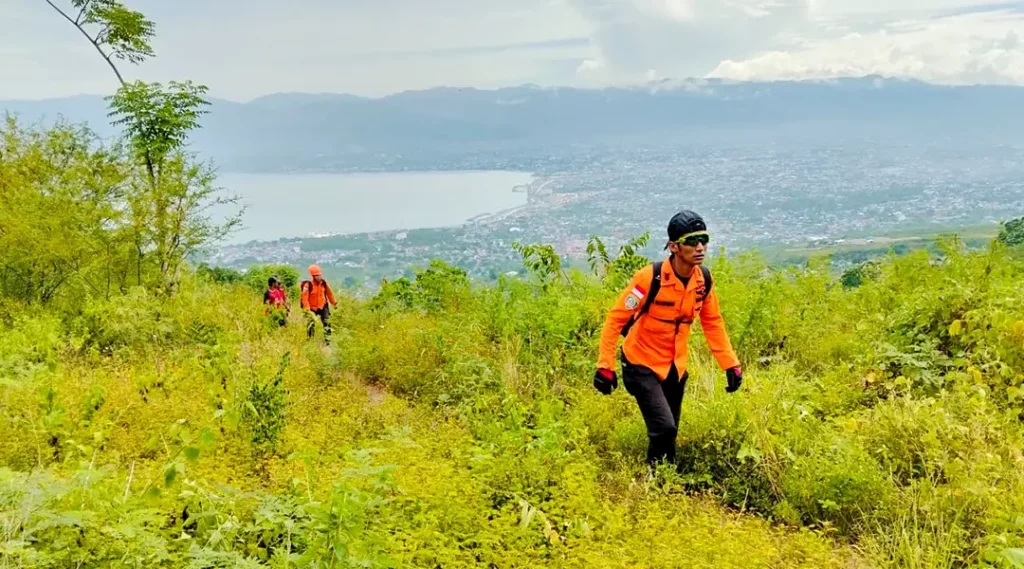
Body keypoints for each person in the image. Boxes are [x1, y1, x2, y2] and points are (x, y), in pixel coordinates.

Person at [594, 210, 743, 467]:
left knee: (669, 431)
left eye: (704, 240)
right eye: (691, 241)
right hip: (640, 364)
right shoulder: (649, 278)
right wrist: (605, 366)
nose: (700, 247)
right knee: (664, 429)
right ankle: (657, 479)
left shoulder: (703, 281)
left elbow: (713, 323)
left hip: (675, 367)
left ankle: (663, 481)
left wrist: (730, 364)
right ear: (673, 246)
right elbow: (615, 319)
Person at [300, 264, 337, 344]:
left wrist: (334, 303)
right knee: (311, 324)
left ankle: (327, 340)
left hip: (323, 306)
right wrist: (307, 310)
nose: (319, 277)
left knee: (327, 321)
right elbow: (304, 298)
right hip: (311, 308)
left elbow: (329, 293)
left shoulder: (324, 283)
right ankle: (310, 340)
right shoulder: (308, 285)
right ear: (313, 276)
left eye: (319, 275)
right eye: (317, 276)